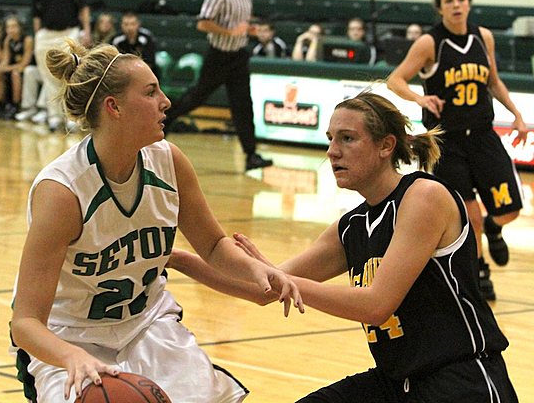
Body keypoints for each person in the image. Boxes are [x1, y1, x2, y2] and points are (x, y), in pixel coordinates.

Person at [169, 92, 518, 402]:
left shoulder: (423, 196)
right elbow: (259, 289)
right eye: (331, 139)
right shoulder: (351, 227)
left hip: (461, 380)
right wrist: (175, 258)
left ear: (386, 146)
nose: (332, 151)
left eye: (348, 139)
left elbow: (376, 305)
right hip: (397, 382)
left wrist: (280, 279)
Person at [8, 40, 302, 402]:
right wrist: (73, 357)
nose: (166, 101)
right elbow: (24, 323)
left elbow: (211, 245)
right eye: (150, 92)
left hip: (146, 325)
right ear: (113, 107)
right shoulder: (63, 192)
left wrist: (253, 270)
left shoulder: (169, 161)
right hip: (67, 339)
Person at [386, 0, 528, 301]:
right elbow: (395, 79)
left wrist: (517, 115)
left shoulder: (484, 37)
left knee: (510, 209)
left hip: (482, 135)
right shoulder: (429, 43)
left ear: (469, 2)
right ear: (440, 7)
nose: (456, 4)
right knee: (470, 214)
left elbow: (493, 81)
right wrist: (419, 99)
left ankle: (495, 228)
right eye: (448, 0)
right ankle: (479, 271)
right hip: (446, 141)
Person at [164, 0, 272, 171]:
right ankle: (164, 121)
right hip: (218, 56)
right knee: (196, 97)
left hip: (238, 56)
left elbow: (239, 26)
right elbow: (203, 24)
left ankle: (250, 154)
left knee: (243, 105)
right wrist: (230, 32)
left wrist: (248, 31)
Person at [32, 0, 90, 132]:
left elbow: (83, 8)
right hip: (46, 35)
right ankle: (54, 117)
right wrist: (38, 36)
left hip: (69, 33)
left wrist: (86, 30)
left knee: (70, 73)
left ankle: (72, 117)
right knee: (48, 77)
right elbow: (36, 17)